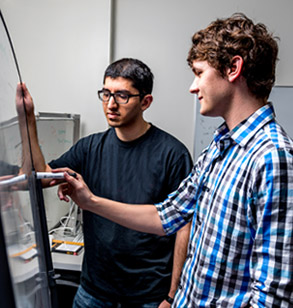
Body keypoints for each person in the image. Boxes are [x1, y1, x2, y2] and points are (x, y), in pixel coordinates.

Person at [55, 13, 293, 307]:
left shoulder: (273, 159)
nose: (193, 87)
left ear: (233, 68)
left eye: (199, 73)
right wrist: (89, 201)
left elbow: (272, 297)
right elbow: (166, 216)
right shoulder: (220, 148)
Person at [16, 58, 193, 307]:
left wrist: (172, 295)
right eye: (106, 94)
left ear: (145, 102)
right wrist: (28, 122)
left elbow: (184, 227)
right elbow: (38, 176)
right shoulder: (90, 148)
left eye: (122, 96)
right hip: (94, 293)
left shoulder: (173, 154)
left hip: (148, 297)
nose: (110, 104)